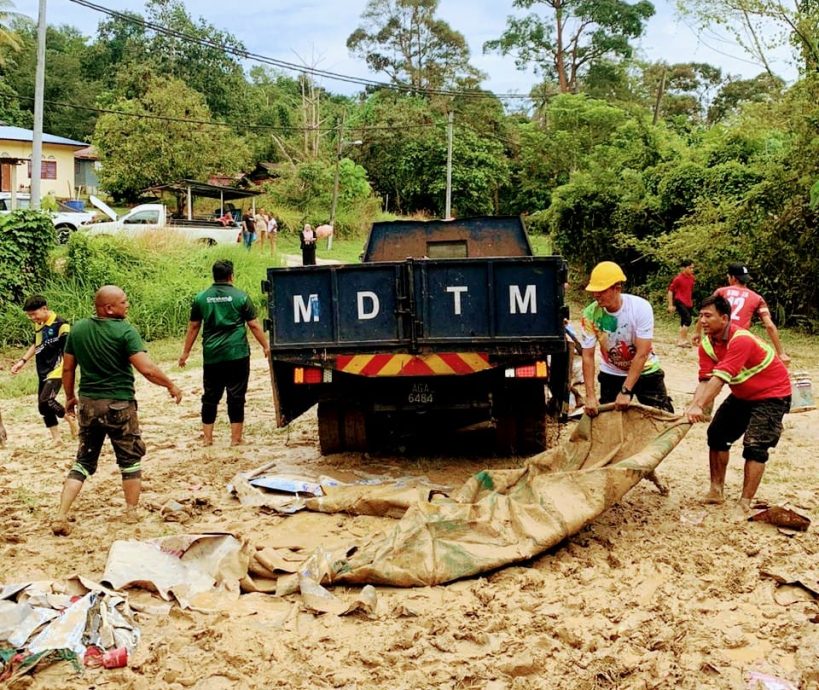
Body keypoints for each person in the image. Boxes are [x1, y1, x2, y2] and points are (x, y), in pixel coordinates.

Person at [53, 286, 182, 536]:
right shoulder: (125, 332)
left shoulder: (77, 329)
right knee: (129, 460)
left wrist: (70, 397)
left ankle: (61, 514)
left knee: (82, 461)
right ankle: (131, 512)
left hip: (89, 406)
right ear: (109, 308)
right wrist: (171, 385)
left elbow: (68, 369)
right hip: (119, 406)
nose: (128, 305)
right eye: (123, 302)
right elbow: (147, 369)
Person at [685, 295, 791, 512]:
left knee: (755, 445)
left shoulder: (740, 339)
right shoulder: (706, 344)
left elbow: (721, 378)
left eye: (708, 316)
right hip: (744, 395)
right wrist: (695, 404)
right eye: (701, 316)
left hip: (773, 395)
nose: (702, 321)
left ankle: (745, 501)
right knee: (716, 434)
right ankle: (716, 491)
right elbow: (705, 379)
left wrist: (700, 405)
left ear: (724, 318)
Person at [178, 260, 270, 447]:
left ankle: (207, 439)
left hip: (212, 355)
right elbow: (253, 325)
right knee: (236, 396)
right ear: (231, 276)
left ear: (214, 275)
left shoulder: (201, 298)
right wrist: (266, 346)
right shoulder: (241, 297)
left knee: (210, 396)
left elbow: (194, 326)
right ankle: (235, 440)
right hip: (237, 354)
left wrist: (185, 352)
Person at [581, 261, 674, 417]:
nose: (596, 295)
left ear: (617, 288)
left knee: (662, 418)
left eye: (601, 291)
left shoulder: (640, 308)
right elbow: (587, 356)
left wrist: (626, 390)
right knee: (608, 423)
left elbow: (642, 353)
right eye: (594, 291)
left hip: (646, 370)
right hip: (612, 372)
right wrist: (590, 396)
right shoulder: (590, 314)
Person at [693, 263, 790, 365]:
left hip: (717, 338)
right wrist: (781, 353)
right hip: (739, 340)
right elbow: (769, 325)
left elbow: (706, 312)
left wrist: (697, 332)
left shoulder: (721, 292)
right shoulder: (757, 298)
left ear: (733, 278)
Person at [11, 295, 77, 442]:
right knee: (43, 407)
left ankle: (71, 420)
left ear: (44, 309)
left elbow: (69, 351)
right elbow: (36, 344)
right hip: (42, 369)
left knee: (47, 400)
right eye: (29, 315)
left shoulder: (61, 325)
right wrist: (22, 361)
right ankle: (56, 439)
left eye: (34, 314)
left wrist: (68, 371)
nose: (32, 318)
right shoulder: (39, 324)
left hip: (58, 368)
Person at [667, 259, 695, 347]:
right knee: (688, 320)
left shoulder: (692, 278)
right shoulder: (678, 279)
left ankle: (681, 339)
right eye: (690, 268)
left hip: (688, 302)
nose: (692, 270)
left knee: (683, 321)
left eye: (693, 268)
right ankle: (682, 340)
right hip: (679, 301)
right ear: (684, 268)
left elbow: (689, 290)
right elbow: (670, 291)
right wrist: (671, 305)